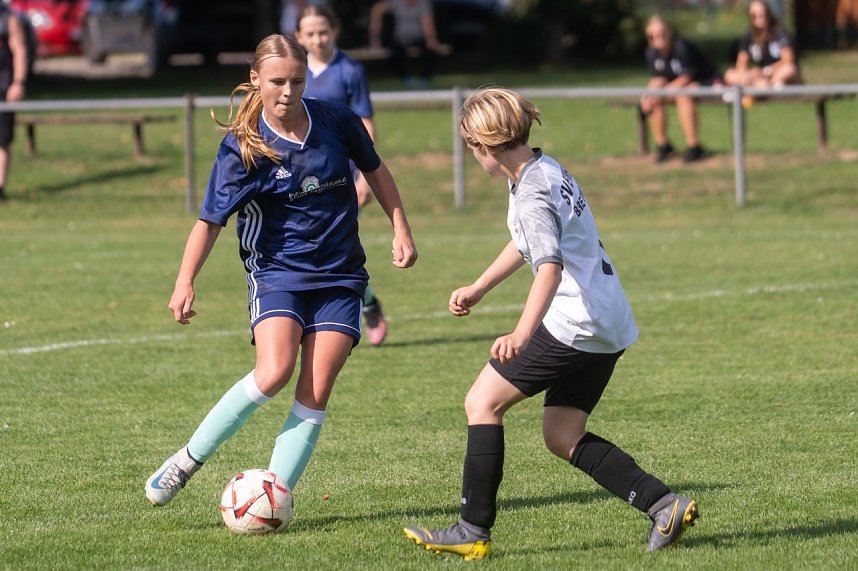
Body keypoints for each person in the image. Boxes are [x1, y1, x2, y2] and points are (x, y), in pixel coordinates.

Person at [402, 87, 699, 560]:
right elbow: (530, 240)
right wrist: (480, 286)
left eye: (470, 148)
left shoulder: (532, 190)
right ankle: (665, 505)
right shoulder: (542, 168)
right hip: (607, 320)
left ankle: (472, 529)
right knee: (563, 435)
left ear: (484, 145)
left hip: (575, 323)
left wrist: (521, 334)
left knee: (482, 402)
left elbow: (549, 267)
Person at [144, 34, 417, 508]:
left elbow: (376, 170)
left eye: (297, 81)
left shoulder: (337, 120)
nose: (288, 91)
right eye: (277, 82)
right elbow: (210, 222)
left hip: (341, 274)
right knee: (273, 372)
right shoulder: (242, 149)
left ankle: (272, 497)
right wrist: (185, 281)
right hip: (277, 271)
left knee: (315, 391)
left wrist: (401, 226)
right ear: (255, 80)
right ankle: (185, 461)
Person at [295, 4, 389, 346]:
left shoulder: (350, 70)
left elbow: (366, 125)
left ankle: (360, 306)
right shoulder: (295, 72)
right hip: (299, 177)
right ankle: (366, 302)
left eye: (323, 32)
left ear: (334, 31)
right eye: (310, 33)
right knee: (310, 246)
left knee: (335, 246)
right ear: (298, 37)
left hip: (342, 176)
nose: (317, 39)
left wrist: (364, 175)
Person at [641, 16, 722, 163]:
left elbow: (687, 77)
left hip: (706, 81)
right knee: (653, 100)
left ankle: (694, 146)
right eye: (652, 36)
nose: (658, 38)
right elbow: (657, 79)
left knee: (683, 95)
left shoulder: (682, 47)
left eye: (662, 33)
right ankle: (663, 145)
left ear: (669, 31)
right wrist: (648, 95)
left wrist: (663, 93)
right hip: (676, 86)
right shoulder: (652, 53)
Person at [724, 0, 801, 94]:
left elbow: (788, 61)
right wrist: (749, 75)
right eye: (754, 16)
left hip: (777, 73)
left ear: (768, 14)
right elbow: (741, 63)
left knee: (789, 70)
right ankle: (762, 87)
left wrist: (765, 71)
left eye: (762, 14)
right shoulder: (748, 36)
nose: (759, 18)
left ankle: (765, 87)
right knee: (730, 74)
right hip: (760, 77)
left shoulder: (780, 32)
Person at [368, 0, 440, 88]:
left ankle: (424, 80)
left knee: (432, 51)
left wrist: (430, 39)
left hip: (419, 38)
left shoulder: (423, 3)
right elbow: (377, 10)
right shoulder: (397, 2)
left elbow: (427, 22)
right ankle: (406, 79)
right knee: (394, 54)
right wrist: (375, 37)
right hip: (400, 39)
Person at [0, 1, 29, 202]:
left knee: (1, 140)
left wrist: (18, 82)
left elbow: (19, 49)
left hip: (3, 87)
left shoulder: (8, 18)